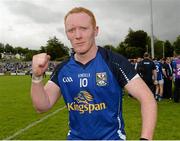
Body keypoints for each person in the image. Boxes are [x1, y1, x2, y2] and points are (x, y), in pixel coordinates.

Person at [31, 7, 157, 140]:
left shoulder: (114, 62)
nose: (77, 35)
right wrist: (37, 76)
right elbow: (41, 107)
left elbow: (147, 98)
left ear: (95, 31)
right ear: (67, 33)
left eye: (84, 28)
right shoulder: (63, 69)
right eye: (71, 30)